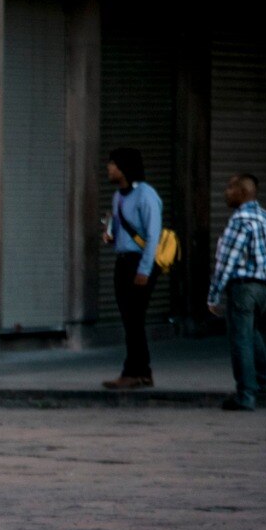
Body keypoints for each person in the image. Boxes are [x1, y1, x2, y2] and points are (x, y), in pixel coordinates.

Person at [207, 174, 266, 412]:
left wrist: (214, 295)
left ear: (242, 192)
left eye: (230, 188)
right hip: (265, 288)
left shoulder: (240, 220)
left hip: (244, 287)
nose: (226, 192)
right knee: (251, 331)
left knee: (240, 339)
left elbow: (225, 262)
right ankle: (263, 380)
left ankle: (246, 394)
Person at [101, 147, 162, 390]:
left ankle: (132, 371)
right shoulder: (118, 196)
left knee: (134, 318)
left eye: (113, 164)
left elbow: (153, 235)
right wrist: (110, 234)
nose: (109, 168)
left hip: (140, 263)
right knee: (130, 319)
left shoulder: (146, 195)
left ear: (124, 167)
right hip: (123, 261)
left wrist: (145, 270)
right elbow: (118, 229)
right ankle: (142, 371)